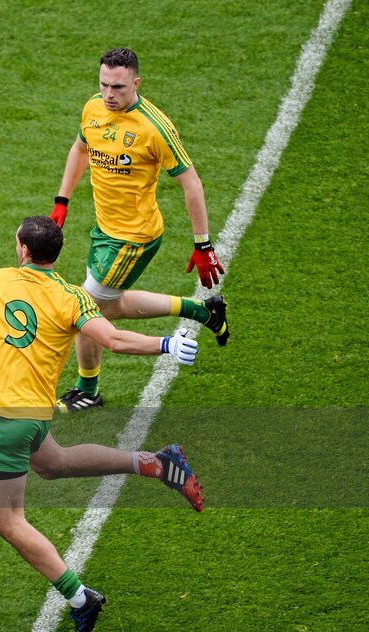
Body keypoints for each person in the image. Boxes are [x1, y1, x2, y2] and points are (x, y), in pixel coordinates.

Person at [0, 216, 204, 632]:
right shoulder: (72, 298)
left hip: (6, 421)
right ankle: (155, 463)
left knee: (8, 523)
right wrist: (166, 344)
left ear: (23, 250)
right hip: (34, 413)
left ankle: (80, 596)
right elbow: (115, 340)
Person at [48, 47, 229, 412]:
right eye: (103, 85)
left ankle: (87, 389)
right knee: (108, 307)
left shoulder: (154, 127)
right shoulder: (93, 108)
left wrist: (203, 244)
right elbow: (81, 148)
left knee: (84, 311)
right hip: (103, 230)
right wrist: (62, 200)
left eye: (118, 87)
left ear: (136, 83)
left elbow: (191, 182)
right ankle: (202, 311)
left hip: (133, 238)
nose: (109, 95)